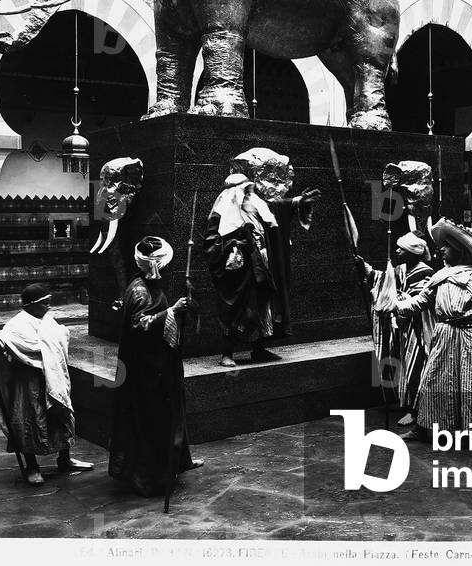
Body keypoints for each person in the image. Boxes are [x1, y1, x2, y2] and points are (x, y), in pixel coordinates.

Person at [394, 219, 472, 440]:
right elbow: (418, 303)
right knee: (433, 379)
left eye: (447, 246)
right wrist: (394, 305)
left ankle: (470, 432)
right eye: (442, 245)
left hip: (470, 336)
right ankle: (425, 428)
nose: (441, 250)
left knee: (469, 383)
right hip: (443, 335)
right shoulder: (439, 277)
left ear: (459, 250)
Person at [0, 283, 93, 485]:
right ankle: (32, 466)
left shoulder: (47, 321)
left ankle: (65, 458)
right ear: (31, 305)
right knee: (28, 422)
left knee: (61, 415)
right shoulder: (16, 326)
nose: (49, 307)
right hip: (28, 383)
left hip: (54, 378)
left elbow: (60, 340)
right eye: (45, 303)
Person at [109, 237, 204, 498]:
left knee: (171, 414)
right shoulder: (140, 290)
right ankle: (145, 475)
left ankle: (176, 462)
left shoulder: (148, 284)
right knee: (149, 420)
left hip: (159, 365)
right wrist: (172, 311)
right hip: (145, 371)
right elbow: (140, 325)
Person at [205, 172, 320, 367]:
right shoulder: (221, 212)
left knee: (262, 305)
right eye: (246, 191)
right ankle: (227, 353)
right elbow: (211, 243)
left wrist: (299, 201)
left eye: (250, 190)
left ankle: (258, 349)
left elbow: (277, 208)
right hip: (237, 271)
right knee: (236, 309)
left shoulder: (257, 205)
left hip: (260, 265)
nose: (250, 194)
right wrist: (236, 242)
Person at [357, 231, 435, 427]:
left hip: (419, 329)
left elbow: (418, 300)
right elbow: (383, 279)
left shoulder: (425, 272)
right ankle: (409, 405)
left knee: (417, 367)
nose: (398, 251)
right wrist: (364, 267)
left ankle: (417, 410)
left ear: (412, 252)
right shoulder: (401, 269)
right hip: (403, 328)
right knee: (406, 367)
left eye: (402, 249)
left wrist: (397, 301)